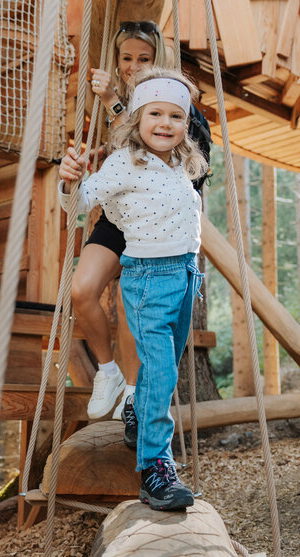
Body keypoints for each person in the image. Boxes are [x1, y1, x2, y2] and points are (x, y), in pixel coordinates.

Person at [59, 68, 206, 510]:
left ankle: (137, 410)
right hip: (149, 279)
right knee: (160, 371)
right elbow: (81, 201)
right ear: (138, 118)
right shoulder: (124, 161)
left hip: (185, 277)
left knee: (166, 367)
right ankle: (155, 470)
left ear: (186, 124)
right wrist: (69, 179)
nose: (165, 123)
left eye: (176, 116)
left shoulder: (182, 162)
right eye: (155, 114)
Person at [78, 20, 211, 421]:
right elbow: (118, 152)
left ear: (158, 61)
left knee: (131, 302)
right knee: (82, 289)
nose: (133, 67)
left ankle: (136, 394)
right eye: (126, 58)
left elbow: (162, 155)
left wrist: (115, 105)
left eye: (144, 59)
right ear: (117, 62)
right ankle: (108, 373)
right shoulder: (112, 98)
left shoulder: (177, 109)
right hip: (118, 218)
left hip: (157, 226)